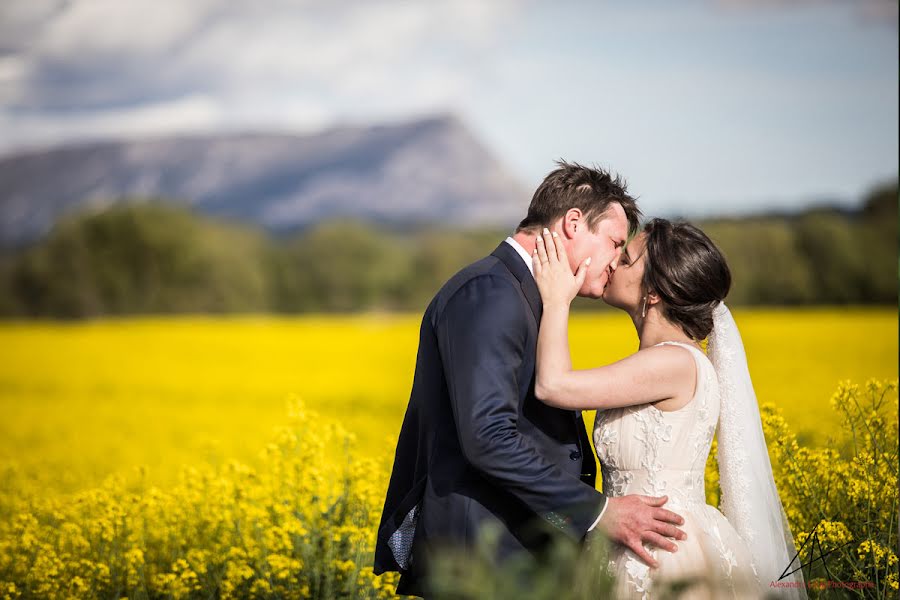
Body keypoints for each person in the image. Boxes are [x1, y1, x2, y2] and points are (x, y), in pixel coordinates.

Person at [374, 162, 688, 597]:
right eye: (615, 242)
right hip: (482, 558)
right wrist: (598, 512)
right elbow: (487, 435)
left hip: (514, 551)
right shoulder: (490, 293)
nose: (617, 260)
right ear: (574, 223)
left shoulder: (523, 293)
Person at [530, 219, 808, 598]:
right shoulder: (663, 361)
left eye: (625, 259)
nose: (611, 262)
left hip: (663, 553)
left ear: (655, 292)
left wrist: (557, 299)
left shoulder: (673, 364)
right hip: (625, 540)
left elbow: (553, 385)